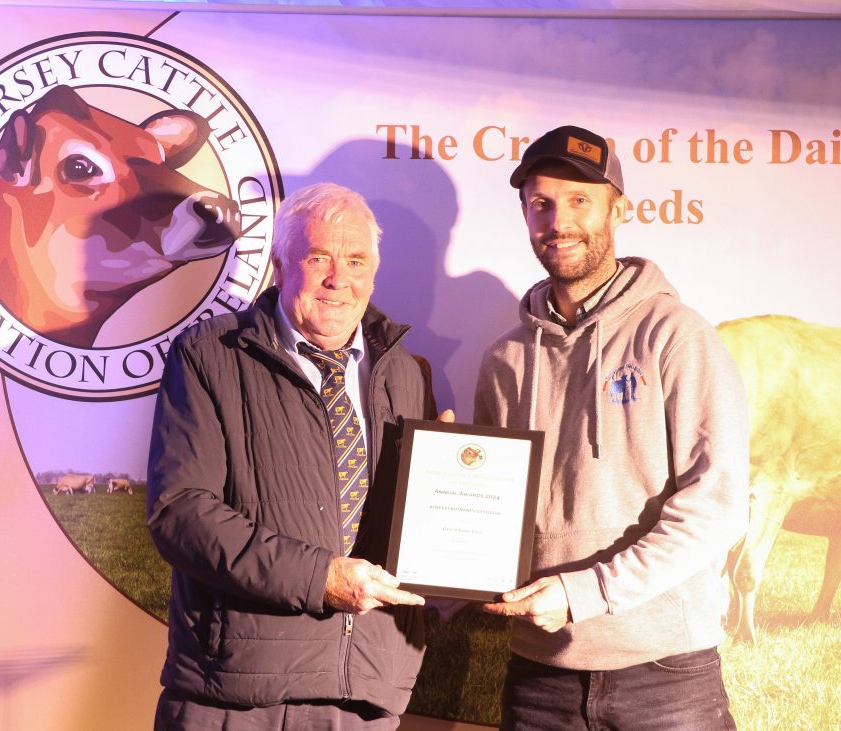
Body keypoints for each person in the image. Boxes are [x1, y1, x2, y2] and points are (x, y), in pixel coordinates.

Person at [475, 125, 749, 730]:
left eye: (580, 200)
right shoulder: (505, 360)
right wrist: (447, 478)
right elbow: (495, 516)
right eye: (541, 203)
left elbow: (718, 508)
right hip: (539, 676)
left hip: (666, 678)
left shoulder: (676, 336)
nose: (559, 221)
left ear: (618, 210)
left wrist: (585, 593)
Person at [147, 182, 446, 730]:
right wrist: (318, 578)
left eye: (356, 261)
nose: (339, 279)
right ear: (281, 267)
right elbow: (180, 511)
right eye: (319, 258)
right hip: (235, 693)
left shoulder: (404, 373)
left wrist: (444, 484)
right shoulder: (210, 353)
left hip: (362, 695)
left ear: (374, 273)